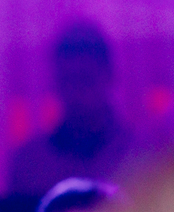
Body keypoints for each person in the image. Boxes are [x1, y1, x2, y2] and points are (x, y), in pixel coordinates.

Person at [9, 22, 136, 197]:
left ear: (109, 77)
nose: (76, 91)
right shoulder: (29, 163)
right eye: (68, 80)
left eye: (85, 79)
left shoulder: (143, 158)